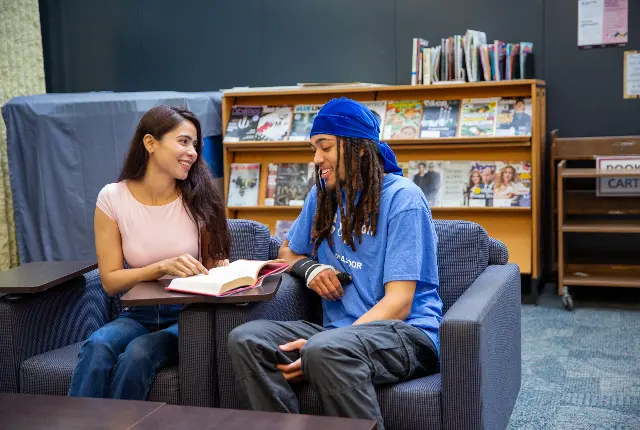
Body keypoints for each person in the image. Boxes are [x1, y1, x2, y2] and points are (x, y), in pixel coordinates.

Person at [227, 97, 442, 430]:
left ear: (357, 147)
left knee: (326, 349)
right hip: (336, 333)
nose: (317, 159)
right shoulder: (323, 195)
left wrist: (325, 343)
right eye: (314, 148)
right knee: (246, 340)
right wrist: (310, 269)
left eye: (324, 147)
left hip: (408, 335)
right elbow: (286, 252)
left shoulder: (404, 199)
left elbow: (399, 303)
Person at [68, 105, 231, 400]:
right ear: (150, 143)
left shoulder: (200, 199)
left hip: (187, 316)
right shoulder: (112, 198)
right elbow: (110, 281)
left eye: (195, 145)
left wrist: (220, 269)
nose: (192, 152)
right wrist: (160, 267)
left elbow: (212, 271)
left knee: (138, 354)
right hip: (136, 313)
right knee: (97, 346)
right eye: (183, 141)